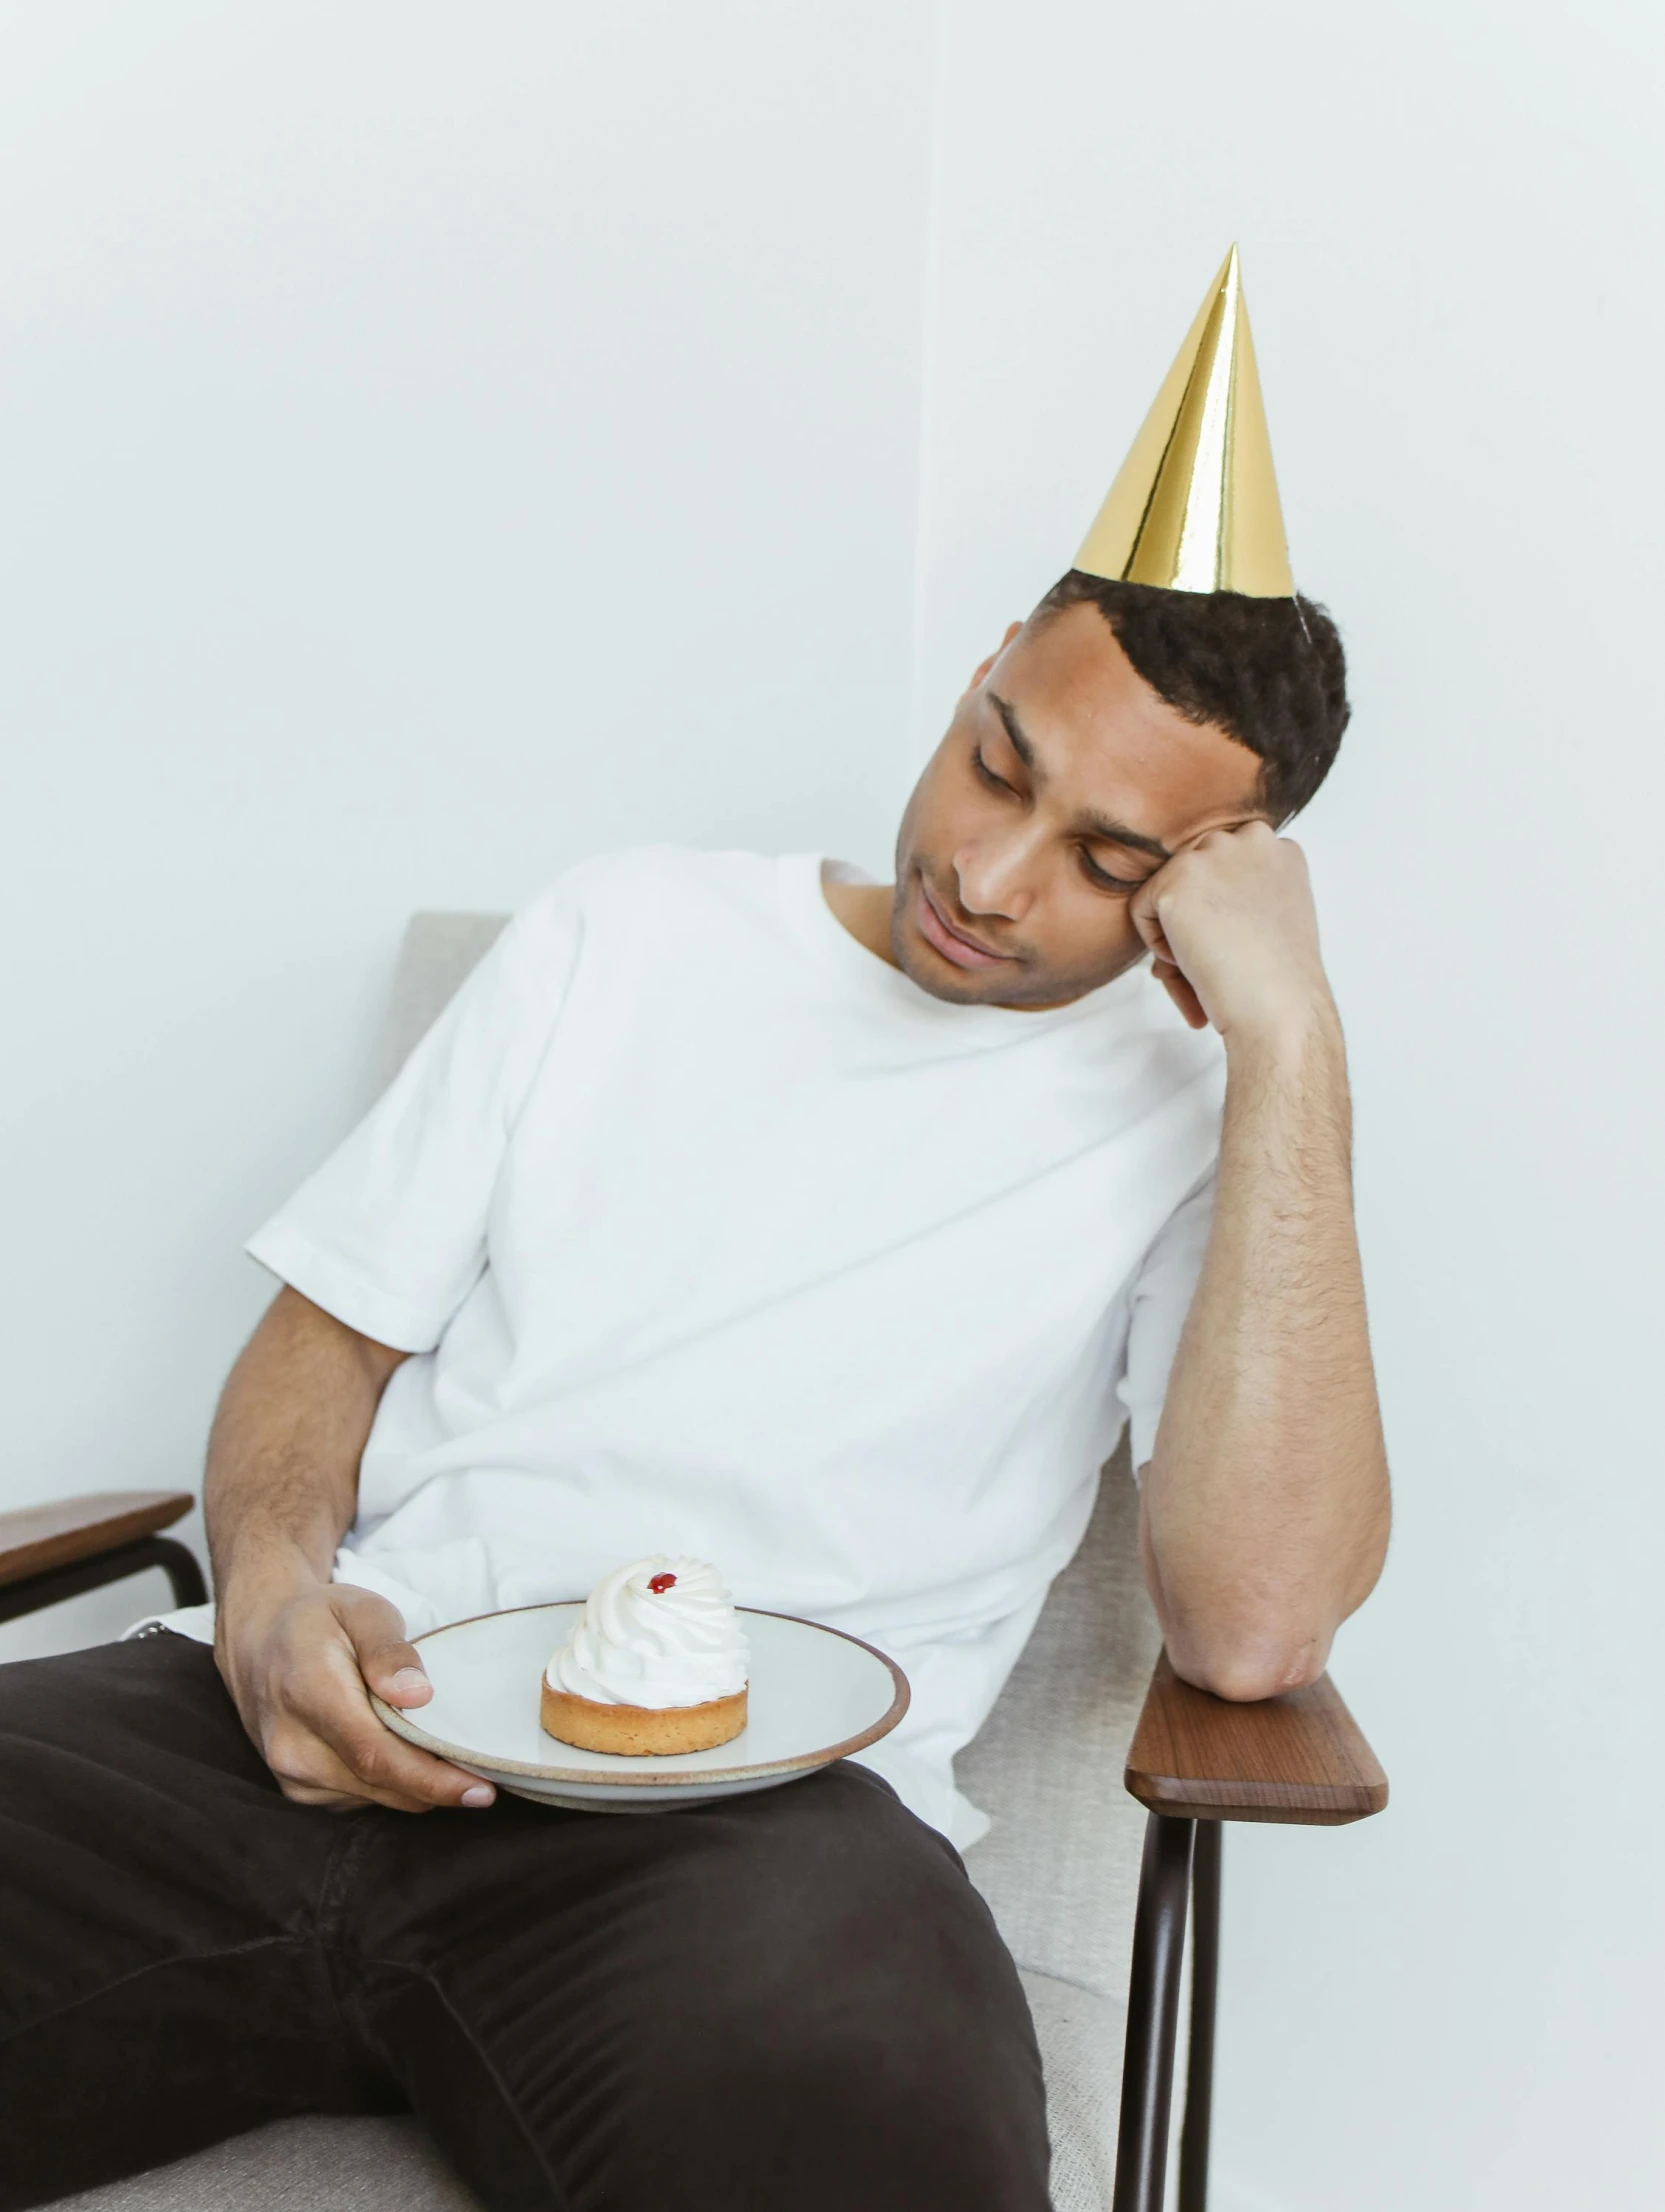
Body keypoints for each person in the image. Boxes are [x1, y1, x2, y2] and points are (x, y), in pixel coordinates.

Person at [0, 249, 1390, 2212]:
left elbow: (1254, 1624)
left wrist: (1291, 1045)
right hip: (341, 1703)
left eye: (1105, 859)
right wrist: (275, 1592)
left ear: (1224, 883)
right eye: (999, 755)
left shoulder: (1196, 1124)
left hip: (753, 1838)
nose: (987, 873)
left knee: (868, 2148)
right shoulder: (624, 930)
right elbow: (325, 1344)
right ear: (986, 659)